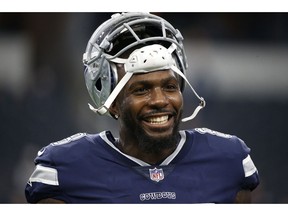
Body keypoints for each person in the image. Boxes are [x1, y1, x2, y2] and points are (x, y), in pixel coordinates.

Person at [24, 12, 260, 203]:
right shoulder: (66, 170)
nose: (159, 100)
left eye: (169, 86)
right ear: (112, 102)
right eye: (141, 89)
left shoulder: (228, 162)